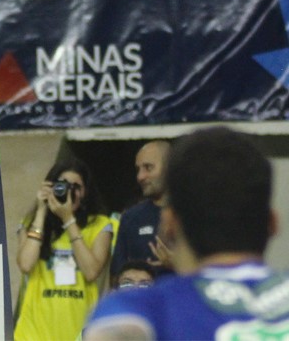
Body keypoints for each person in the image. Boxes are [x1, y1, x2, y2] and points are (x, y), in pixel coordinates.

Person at [84, 127, 283, 341]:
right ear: (272, 223)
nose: (141, 175)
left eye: (148, 167)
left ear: (168, 224)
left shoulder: (134, 315)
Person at [14, 158, 114, 341]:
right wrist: (41, 211)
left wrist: (68, 220)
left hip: (79, 330)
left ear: (85, 192)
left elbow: (91, 271)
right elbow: (26, 264)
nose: (70, 192)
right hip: (34, 332)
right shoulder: (32, 223)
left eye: (77, 187)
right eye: (63, 185)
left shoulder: (100, 225)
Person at [110, 140, 171, 279]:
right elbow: (116, 275)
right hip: (141, 300)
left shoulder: (195, 214)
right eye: (138, 169)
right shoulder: (131, 218)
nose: (140, 177)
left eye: (148, 168)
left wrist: (177, 264)